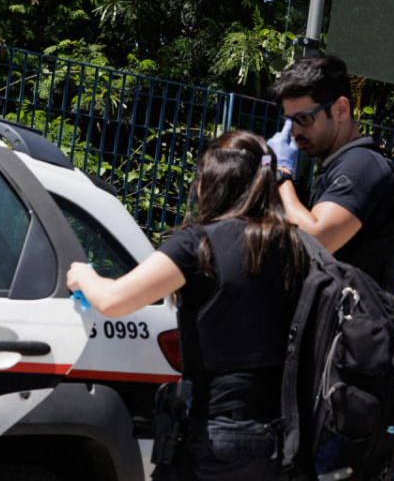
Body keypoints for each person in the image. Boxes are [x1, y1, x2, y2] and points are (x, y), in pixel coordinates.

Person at [66, 130, 309, 481]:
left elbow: (114, 300)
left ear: (211, 184)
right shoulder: (293, 244)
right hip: (279, 436)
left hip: (217, 432)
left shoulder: (200, 244)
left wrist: (83, 276)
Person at [266, 54, 394, 293]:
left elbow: (317, 239)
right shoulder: (339, 166)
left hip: (353, 325)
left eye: (304, 118)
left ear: (341, 110)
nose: (294, 132)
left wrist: (281, 174)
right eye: (289, 121)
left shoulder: (362, 164)